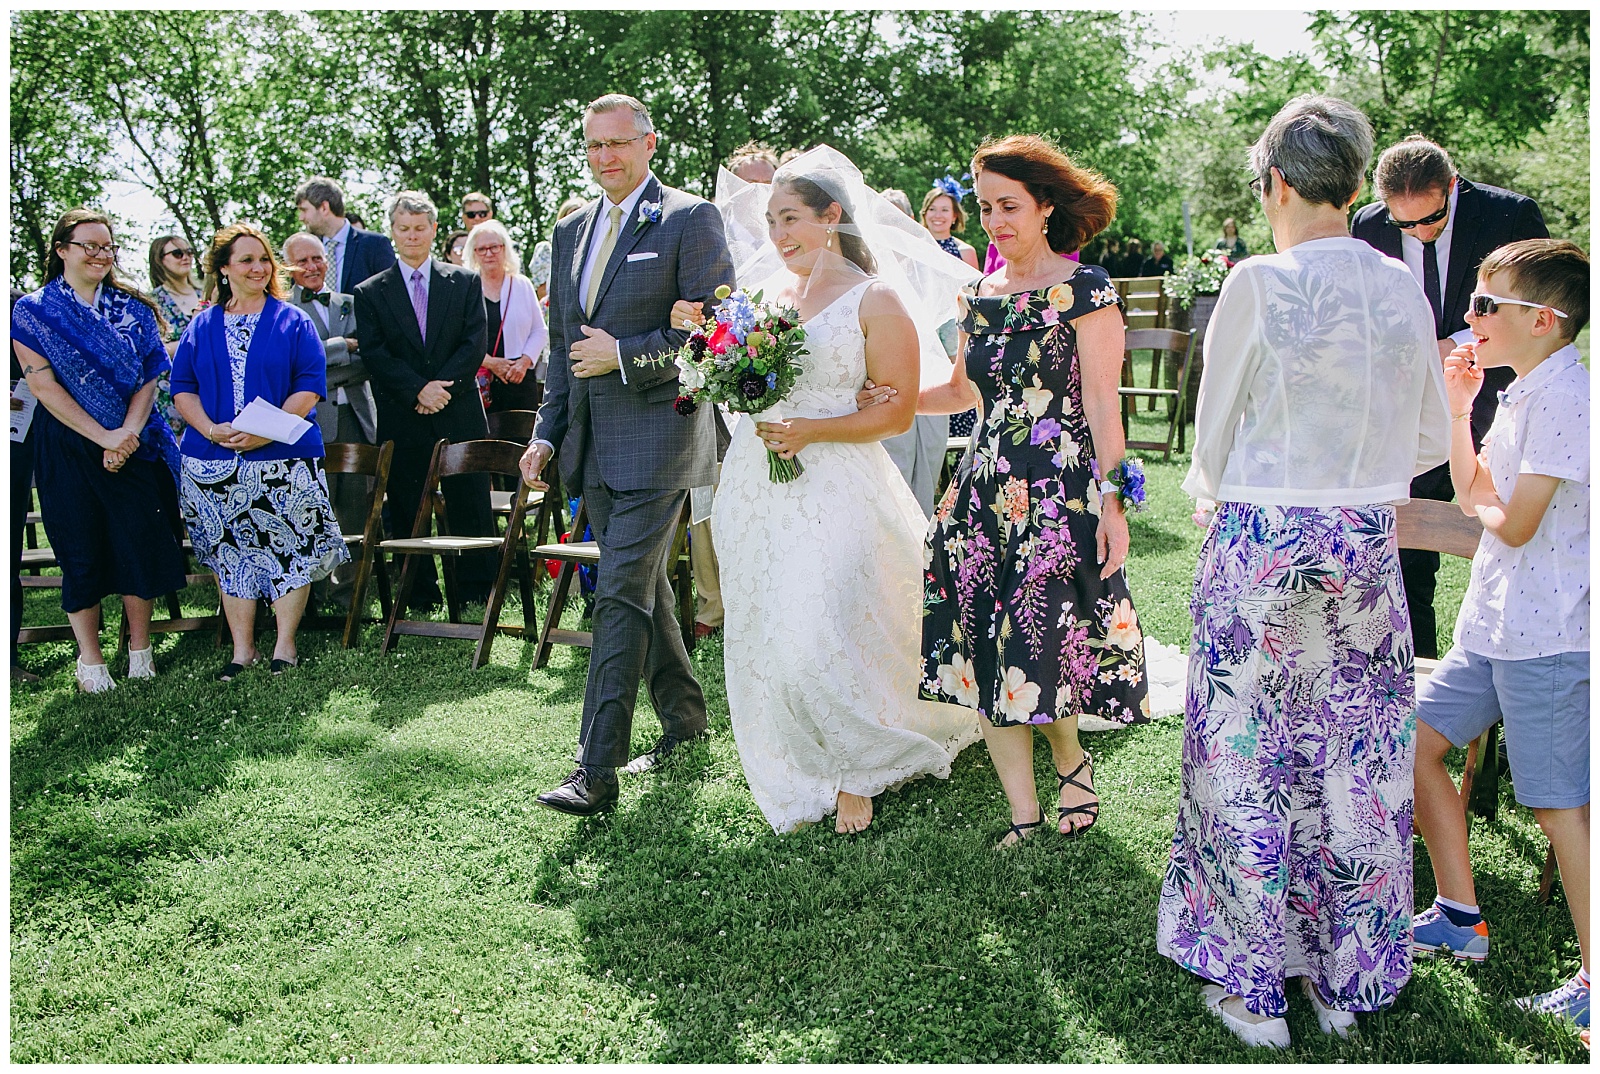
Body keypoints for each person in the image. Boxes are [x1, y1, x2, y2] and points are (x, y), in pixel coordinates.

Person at [1156, 95, 1452, 1048]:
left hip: (1266, 538)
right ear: (1360, 187)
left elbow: (1214, 426)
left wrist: (1225, 485)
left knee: (1248, 757)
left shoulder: (1260, 281)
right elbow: (1427, 437)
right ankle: (1340, 980)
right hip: (1365, 543)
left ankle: (1254, 988)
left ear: (1276, 183)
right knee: (1354, 764)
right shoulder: (1404, 287)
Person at [682, 147, 983, 834]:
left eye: (791, 218)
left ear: (833, 216)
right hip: (758, 485)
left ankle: (858, 767)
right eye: (771, 220)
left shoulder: (875, 298)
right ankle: (803, 744)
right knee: (771, 626)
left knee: (826, 620)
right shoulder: (766, 299)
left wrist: (814, 432)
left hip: (839, 481)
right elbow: (744, 381)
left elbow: (898, 410)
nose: (779, 234)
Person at [908, 134, 1149, 851]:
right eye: (984, 209)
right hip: (980, 496)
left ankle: (1070, 760)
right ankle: (1023, 813)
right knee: (985, 648)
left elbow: (1105, 407)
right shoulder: (976, 296)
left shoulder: (1086, 289)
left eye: (1008, 206)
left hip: (1058, 496)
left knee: (1042, 642)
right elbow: (960, 391)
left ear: (1046, 206)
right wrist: (883, 400)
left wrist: (1114, 505)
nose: (994, 222)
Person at [519, 93, 734, 816]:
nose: (605, 157)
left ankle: (595, 768)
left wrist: (628, 355)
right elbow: (560, 350)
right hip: (590, 446)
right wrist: (546, 434)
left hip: (662, 438)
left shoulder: (689, 217)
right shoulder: (571, 228)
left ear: (649, 143)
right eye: (593, 146)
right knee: (646, 590)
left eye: (618, 143)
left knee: (616, 593)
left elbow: (717, 332)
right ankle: (685, 721)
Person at [1411, 239, 1590, 1027]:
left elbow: (1510, 522)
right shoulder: (1519, 391)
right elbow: (1467, 485)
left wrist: (1482, 512)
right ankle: (1459, 914)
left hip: (1548, 633)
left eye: (1487, 304)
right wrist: (1460, 404)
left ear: (1543, 320)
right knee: (1414, 743)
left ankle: (1593, 984)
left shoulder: (1568, 399)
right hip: (1492, 627)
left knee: (1557, 811)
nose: (1469, 317)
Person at [1350, 136, 1549, 660]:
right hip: (1406, 414)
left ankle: (1511, 685)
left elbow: (1540, 309)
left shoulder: (1509, 216)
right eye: (1404, 224)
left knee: (1510, 552)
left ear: (1452, 187)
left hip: (1491, 407)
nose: (1418, 232)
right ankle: (1414, 687)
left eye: (1430, 219)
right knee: (1408, 549)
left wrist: (1457, 344)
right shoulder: (1367, 227)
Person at [10, 209, 188, 693]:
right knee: (79, 548)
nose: (100, 254)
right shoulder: (32, 311)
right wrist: (102, 437)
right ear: (62, 250)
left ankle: (139, 649)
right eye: (88, 245)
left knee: (138, 543)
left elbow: (150, 375)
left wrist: (125, 434)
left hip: (135, 442)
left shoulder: (133, 307)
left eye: (106, 246)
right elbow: (43, 386)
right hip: (67, 445)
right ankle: (90, 660)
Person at [170, 223, 349, 680]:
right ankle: (241, 650)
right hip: (212, 462)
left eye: (263, 259)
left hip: (282, 460)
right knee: (231, 555)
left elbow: (309, 387)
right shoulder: (201, 323)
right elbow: (182, 388)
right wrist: (211, 430)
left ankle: (284, 646)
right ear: (224, 268)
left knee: (289, 550)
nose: (258, 267)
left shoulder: (293, 320)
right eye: (246, 260)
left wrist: (266, 433)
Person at [354, 191, 496, 610]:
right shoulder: (371, 292)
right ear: (392, 232)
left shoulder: (466, 281)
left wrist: (439, 388)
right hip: (404, 412)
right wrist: (417, 389)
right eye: (404, 228)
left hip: (458, 408)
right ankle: (419, 594)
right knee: (407, 502)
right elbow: (375, 352)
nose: (412, 236)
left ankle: (478, 589)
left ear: (434, 230)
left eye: (420, 228)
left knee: (470, 498)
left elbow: (475, 342)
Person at [283, 231, 377, 611]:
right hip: (308, 424)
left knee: (355, 508)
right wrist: (343, 349)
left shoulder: (351, 304)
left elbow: (371, 359)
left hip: (356, 418)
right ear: (287, 266)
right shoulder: (283, 310)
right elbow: (293, 367)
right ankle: (313, 597)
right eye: (302, 261)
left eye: (318, 258)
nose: (312, 267)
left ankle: (350, 598)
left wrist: (320, 364)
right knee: (312, 509)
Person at [465, 218, 548, 414]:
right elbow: (456, 337)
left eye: (494, 247)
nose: (488, 254)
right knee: (481, 444)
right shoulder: (467, 288)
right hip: (480, 380)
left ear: (505, 249)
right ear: (474, 254)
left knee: (520, 440)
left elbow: (539, 330)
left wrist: (524, 362)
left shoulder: (522, 284)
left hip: (518, 378)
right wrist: (491, 363)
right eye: (482, 249)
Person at [147, 233, 208, 437]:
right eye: (177, 253)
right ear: (159, 259)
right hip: (170, 394)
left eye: (189, 252)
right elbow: (152, 351)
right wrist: (194, 335)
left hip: (208, 386)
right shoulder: (152, 302)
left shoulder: (205, 295)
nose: (186, 257)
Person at [296, 176, 398, 294]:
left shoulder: (374, 245)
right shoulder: (304, 250)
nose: (301, 217)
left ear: (324, 208)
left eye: (304, 210)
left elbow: (392, 294)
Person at [920, 182, 982, 270]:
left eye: (944, 210)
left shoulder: (965, 252)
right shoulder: (913, 248)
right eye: (932, 209)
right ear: (925, 213)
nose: (938, 215)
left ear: (954, 216)